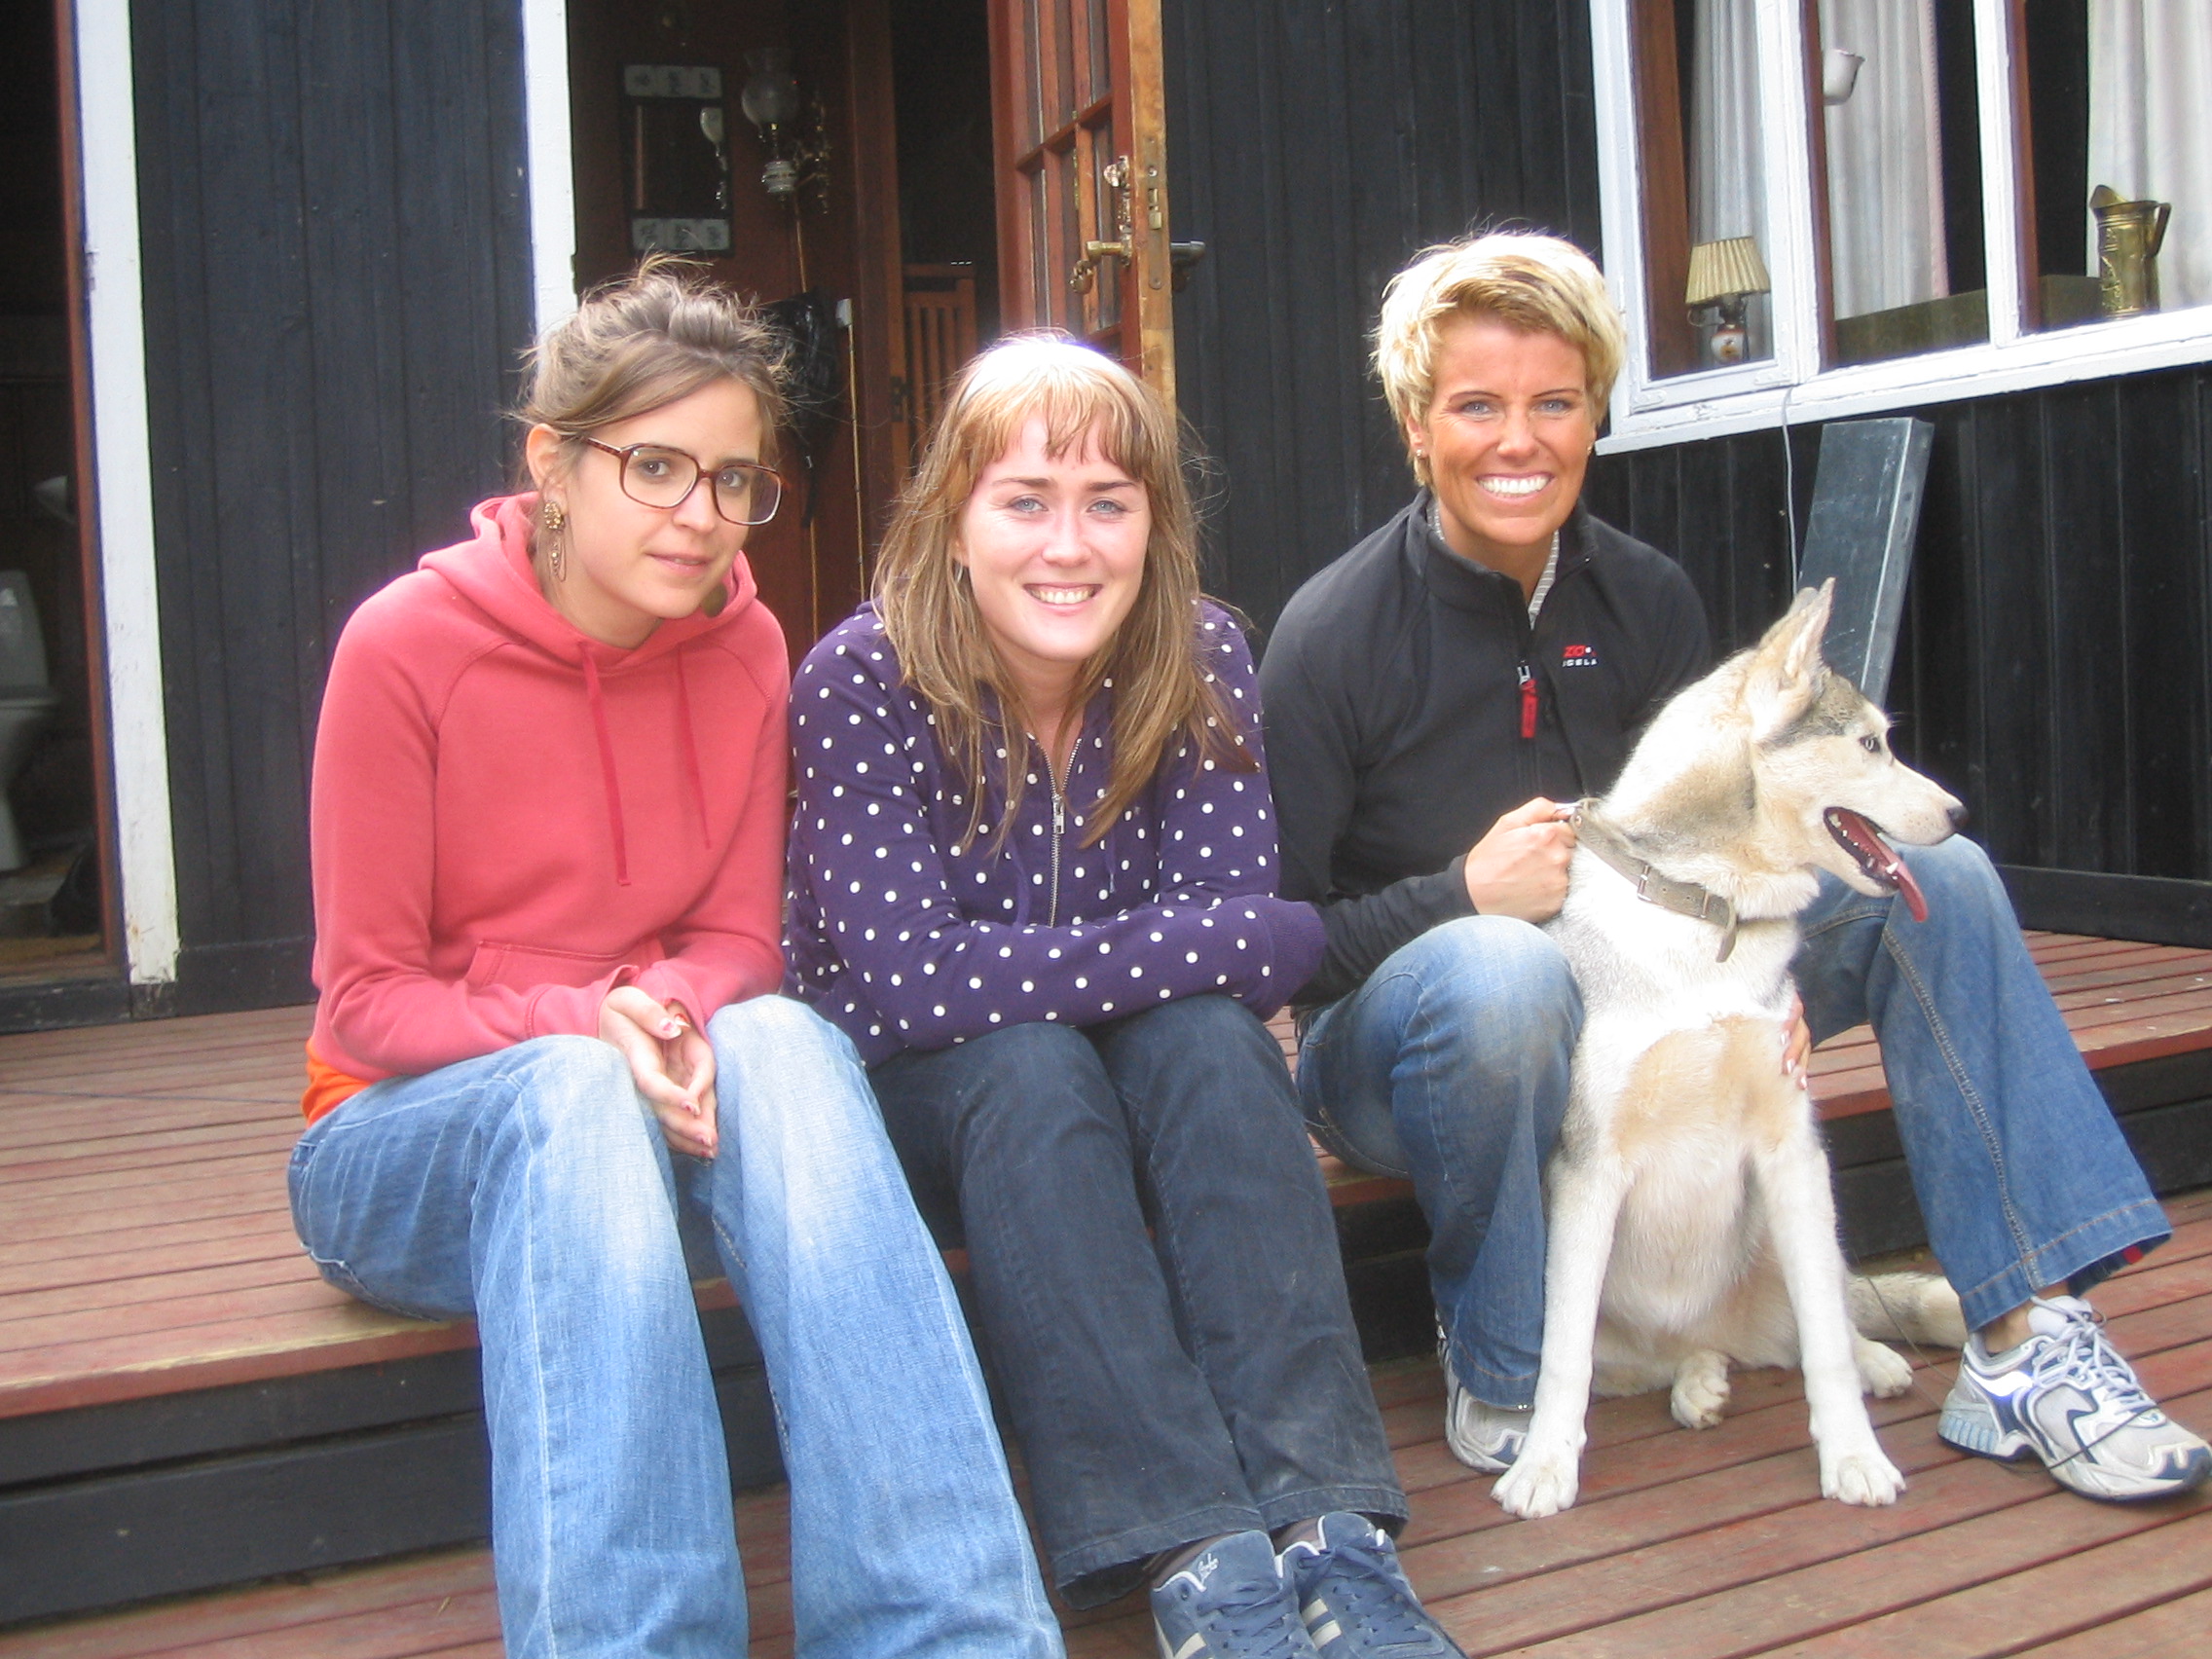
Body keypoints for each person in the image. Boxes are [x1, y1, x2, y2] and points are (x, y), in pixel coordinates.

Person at [1260, 230, 2211, 1505]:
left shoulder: (1645, 600)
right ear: (1415, 428)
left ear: (1598, 413)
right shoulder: (1332, 635)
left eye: (1556, 403)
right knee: (1500, 978)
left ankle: (2023, 1335)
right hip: (1407, 1048)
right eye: (1477, 406)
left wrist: (1774, 968)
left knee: (1945, 886)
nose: (1519, 441)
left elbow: (1736, 849)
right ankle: (1500, 1354)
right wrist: (1460, 897)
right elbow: (1286, 949)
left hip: (1655, 977)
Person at [290, 263, 1062, 1658]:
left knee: (787, 1039)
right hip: (402, 1147)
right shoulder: (404, 648)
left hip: (652, 1116)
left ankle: (950, 1629)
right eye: (655, 467)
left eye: (734, 480)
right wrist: (591, 1022)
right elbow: (366, 1002)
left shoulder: (746, 646)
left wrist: (661, 1009)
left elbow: (738, 942)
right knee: (568, 1089)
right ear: (553, 464)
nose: (699, 515)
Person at [785, 336, 1463, 1659]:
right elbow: (912, 983)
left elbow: (1243, 953)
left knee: (1212, 1044)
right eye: (1025, 501)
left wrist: (1214, 947)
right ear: (954, 519)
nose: (1069, 545)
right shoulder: (863, 679)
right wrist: (1207, 943)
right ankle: (1192, 1551)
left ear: (1155, 524)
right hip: (919, 1101)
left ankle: (1330, 1527)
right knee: (1034, 1061)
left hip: (1135, 1081)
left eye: (1108, 502)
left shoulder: (1199, 654)